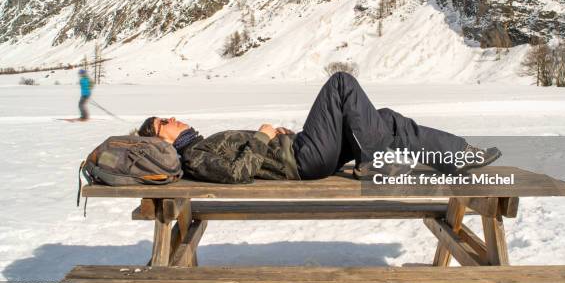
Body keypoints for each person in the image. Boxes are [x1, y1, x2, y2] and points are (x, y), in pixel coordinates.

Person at [137, 72, 501, 183]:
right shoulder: (193, 155)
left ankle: (455, 155)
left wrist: (272, 137)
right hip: (304, 159)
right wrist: (263, 136)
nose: (171, 119)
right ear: (161, 141)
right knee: (341, 83)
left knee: (384, 118)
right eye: (163, 122)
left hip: (299, 151)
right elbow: (238, 172)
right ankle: (371, 159)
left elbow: (250, 159)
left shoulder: (198, 146)